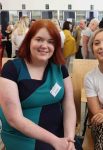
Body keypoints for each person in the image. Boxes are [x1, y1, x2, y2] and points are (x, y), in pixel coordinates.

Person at [0, 19, 76, 150]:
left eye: (51, 42)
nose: (44, 45)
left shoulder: (59, 68)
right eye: (39, 39)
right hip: (23, 137)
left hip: (59, 133)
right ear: (29, 40)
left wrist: (69, 140)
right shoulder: (12, 69)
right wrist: (55, 141)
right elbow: (14, 119)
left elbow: (69, 105)